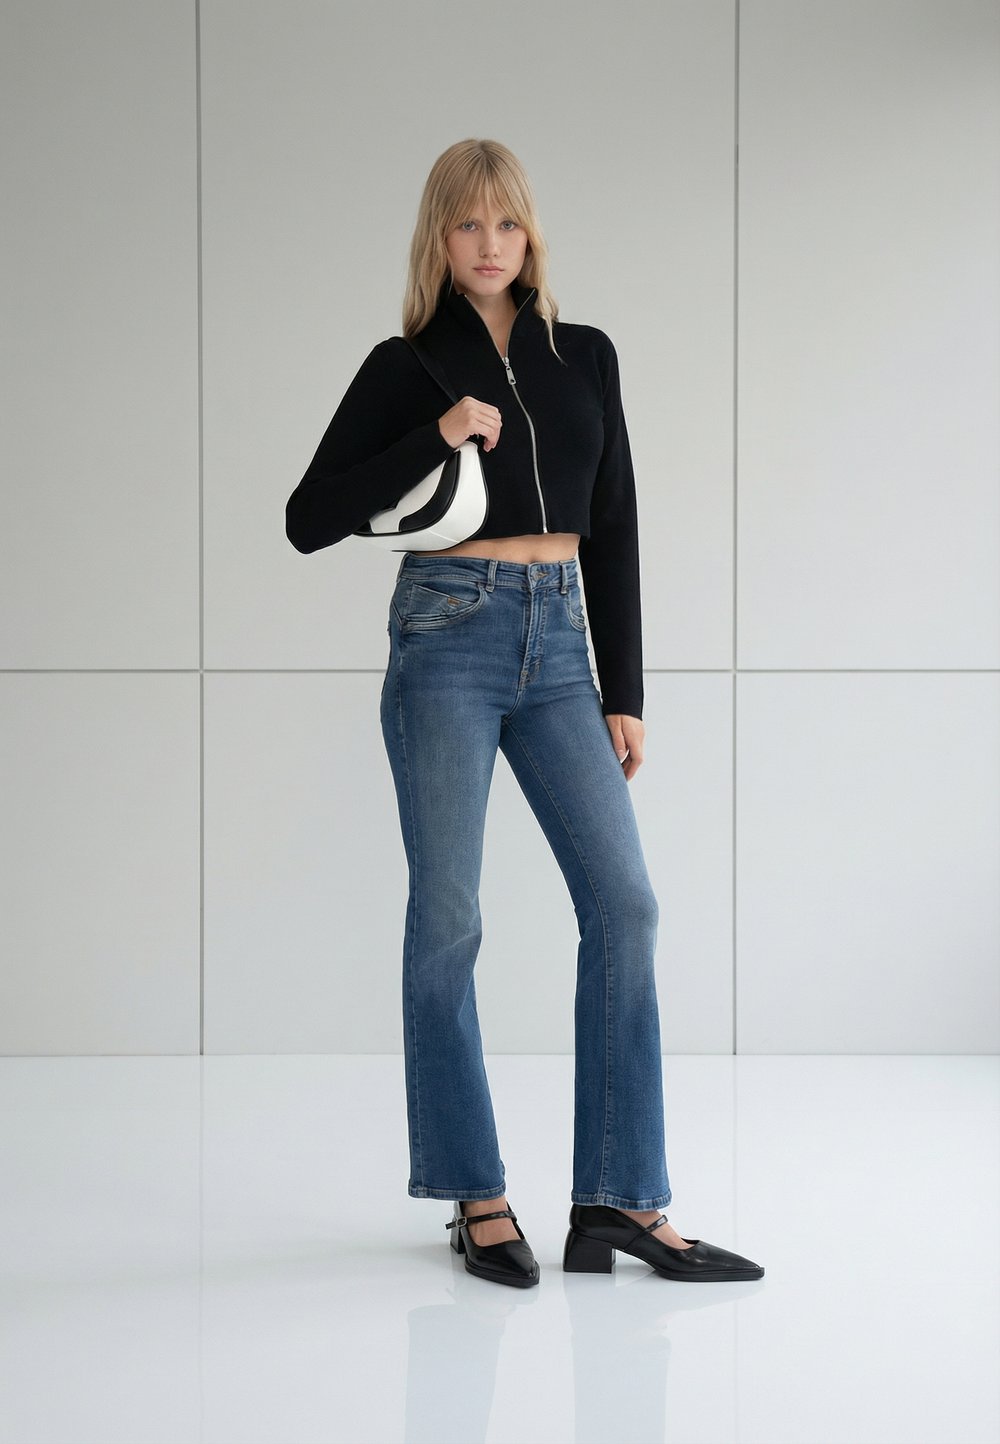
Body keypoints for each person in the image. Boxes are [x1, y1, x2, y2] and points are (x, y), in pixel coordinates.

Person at [285, 138, 764, 1289]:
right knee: (449, 916)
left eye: (506, 223)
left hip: (559, 648)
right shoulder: (407, 365)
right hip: (447, 635)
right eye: (467, 225)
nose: (489, 244)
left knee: (625, 903)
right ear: (438, 240)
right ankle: (475, 1191)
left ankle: (617, 1200)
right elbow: (309, 516)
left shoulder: (583, 354)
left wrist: (623, 691)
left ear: (529, 233)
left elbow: (617, 520)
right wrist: (435, 434)